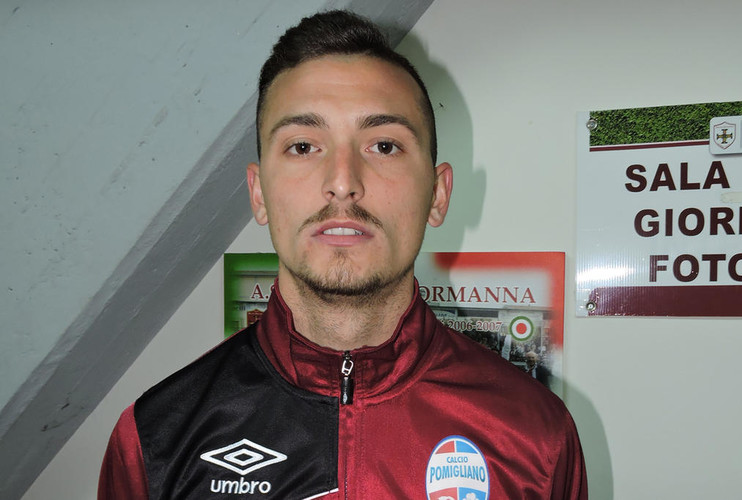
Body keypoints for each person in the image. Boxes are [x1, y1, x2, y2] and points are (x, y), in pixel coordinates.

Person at [98, 10, 587, 499]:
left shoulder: (537, 439)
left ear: (437, 195)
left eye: (384, 146)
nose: (342, 181)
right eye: (303, 146)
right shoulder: (155, 440)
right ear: (259, 193)